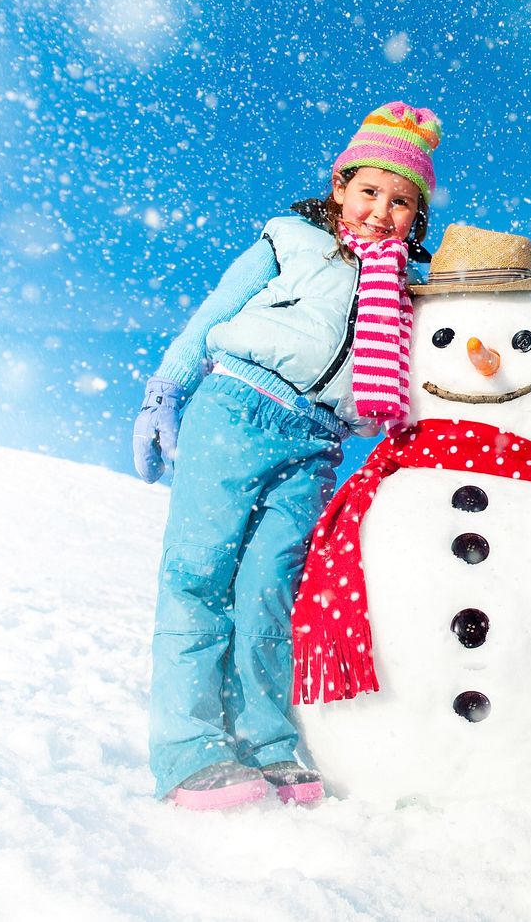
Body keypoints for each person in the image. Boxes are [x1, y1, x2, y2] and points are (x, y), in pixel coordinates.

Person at [131, 101, 442, 811]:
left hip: (315, 443)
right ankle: (189, 747)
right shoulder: (290, 239)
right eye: (369, 191)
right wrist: (165, 389)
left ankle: (267, 739)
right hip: (237, 406)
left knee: (270, 590)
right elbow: (214, 310)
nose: (380, 210)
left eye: (401, 201)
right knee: (200, 575)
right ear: (340, 188)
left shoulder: (403, 292)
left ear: (416, 214)